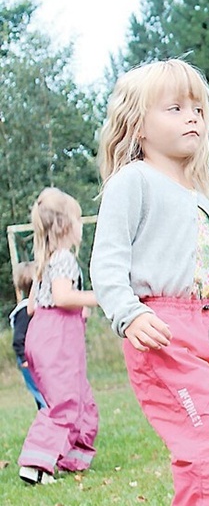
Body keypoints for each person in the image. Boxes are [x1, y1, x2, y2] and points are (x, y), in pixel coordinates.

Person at [91, 59, 209, 505]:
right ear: (139, 126)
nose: (192, 117)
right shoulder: (133, 181)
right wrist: (128, 314)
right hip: (163, 331)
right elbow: (106, 261)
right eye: (175, 108)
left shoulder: (200, 191)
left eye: (199, 110)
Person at [17, 188, 100, 485]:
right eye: (78, 220)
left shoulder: (46, 260)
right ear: (66, 225)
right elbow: (63, 297)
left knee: (81, 399)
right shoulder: (63, 257)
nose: (81, 227)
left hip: (45, 336)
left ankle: (69, 458)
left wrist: (80, 307)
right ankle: (34, 464)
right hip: (57, 340)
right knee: (64, 402)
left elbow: (32, 305)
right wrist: (99, 297)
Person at [9, 261, 47, 410]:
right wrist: (24, 359)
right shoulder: (25, 310)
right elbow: (18, 339)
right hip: (29, 359)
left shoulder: (38, 306)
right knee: (41, 394)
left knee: (44, 393)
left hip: (39, 357)